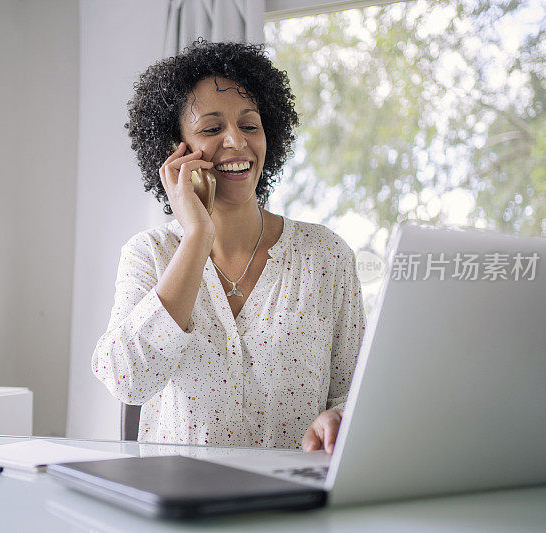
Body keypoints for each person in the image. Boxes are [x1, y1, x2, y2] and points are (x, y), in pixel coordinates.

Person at [92, 39, 365, 453]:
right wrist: (197, 237)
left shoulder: (326, 256)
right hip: (181, 504)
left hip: (291, 505)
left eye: (250, 125)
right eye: (212, 128)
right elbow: (128, 380)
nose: (236, 142)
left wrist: (341, 417)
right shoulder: (148, 254)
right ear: (175, 151)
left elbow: (358, 392)